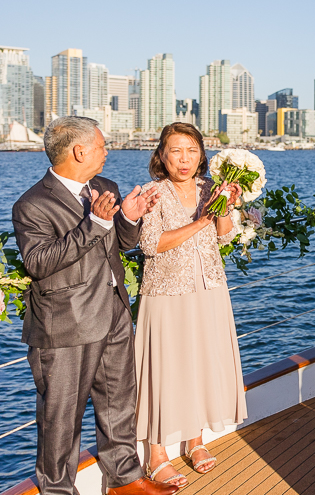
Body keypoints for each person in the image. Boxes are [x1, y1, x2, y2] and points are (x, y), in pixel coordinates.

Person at [11, 116, 174, 495]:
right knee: (60, 420)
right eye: (102, 146)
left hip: (114, 313)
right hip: (65, 325)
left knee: (120, 404)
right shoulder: (32, 205)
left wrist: (129, 218)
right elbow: (39, 263)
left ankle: (124, 480)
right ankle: (57, 491)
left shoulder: (105, 186)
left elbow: (118, 244)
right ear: (79, 150)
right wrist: (96, 224)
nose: (107, 151)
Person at [135, 123, 247, 487]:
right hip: (166, 293)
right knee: (163, 368)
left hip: (210, 288)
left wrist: (225, 206)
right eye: (175, 151)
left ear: (202, 154)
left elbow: (226, 233)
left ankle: (195, 440)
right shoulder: (153, 192)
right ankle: (156, 454)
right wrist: (201, 221)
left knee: (200, 363)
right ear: (161, 156)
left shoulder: (209, 188)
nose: (184, 159)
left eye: (192, 150)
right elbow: (152, 244)